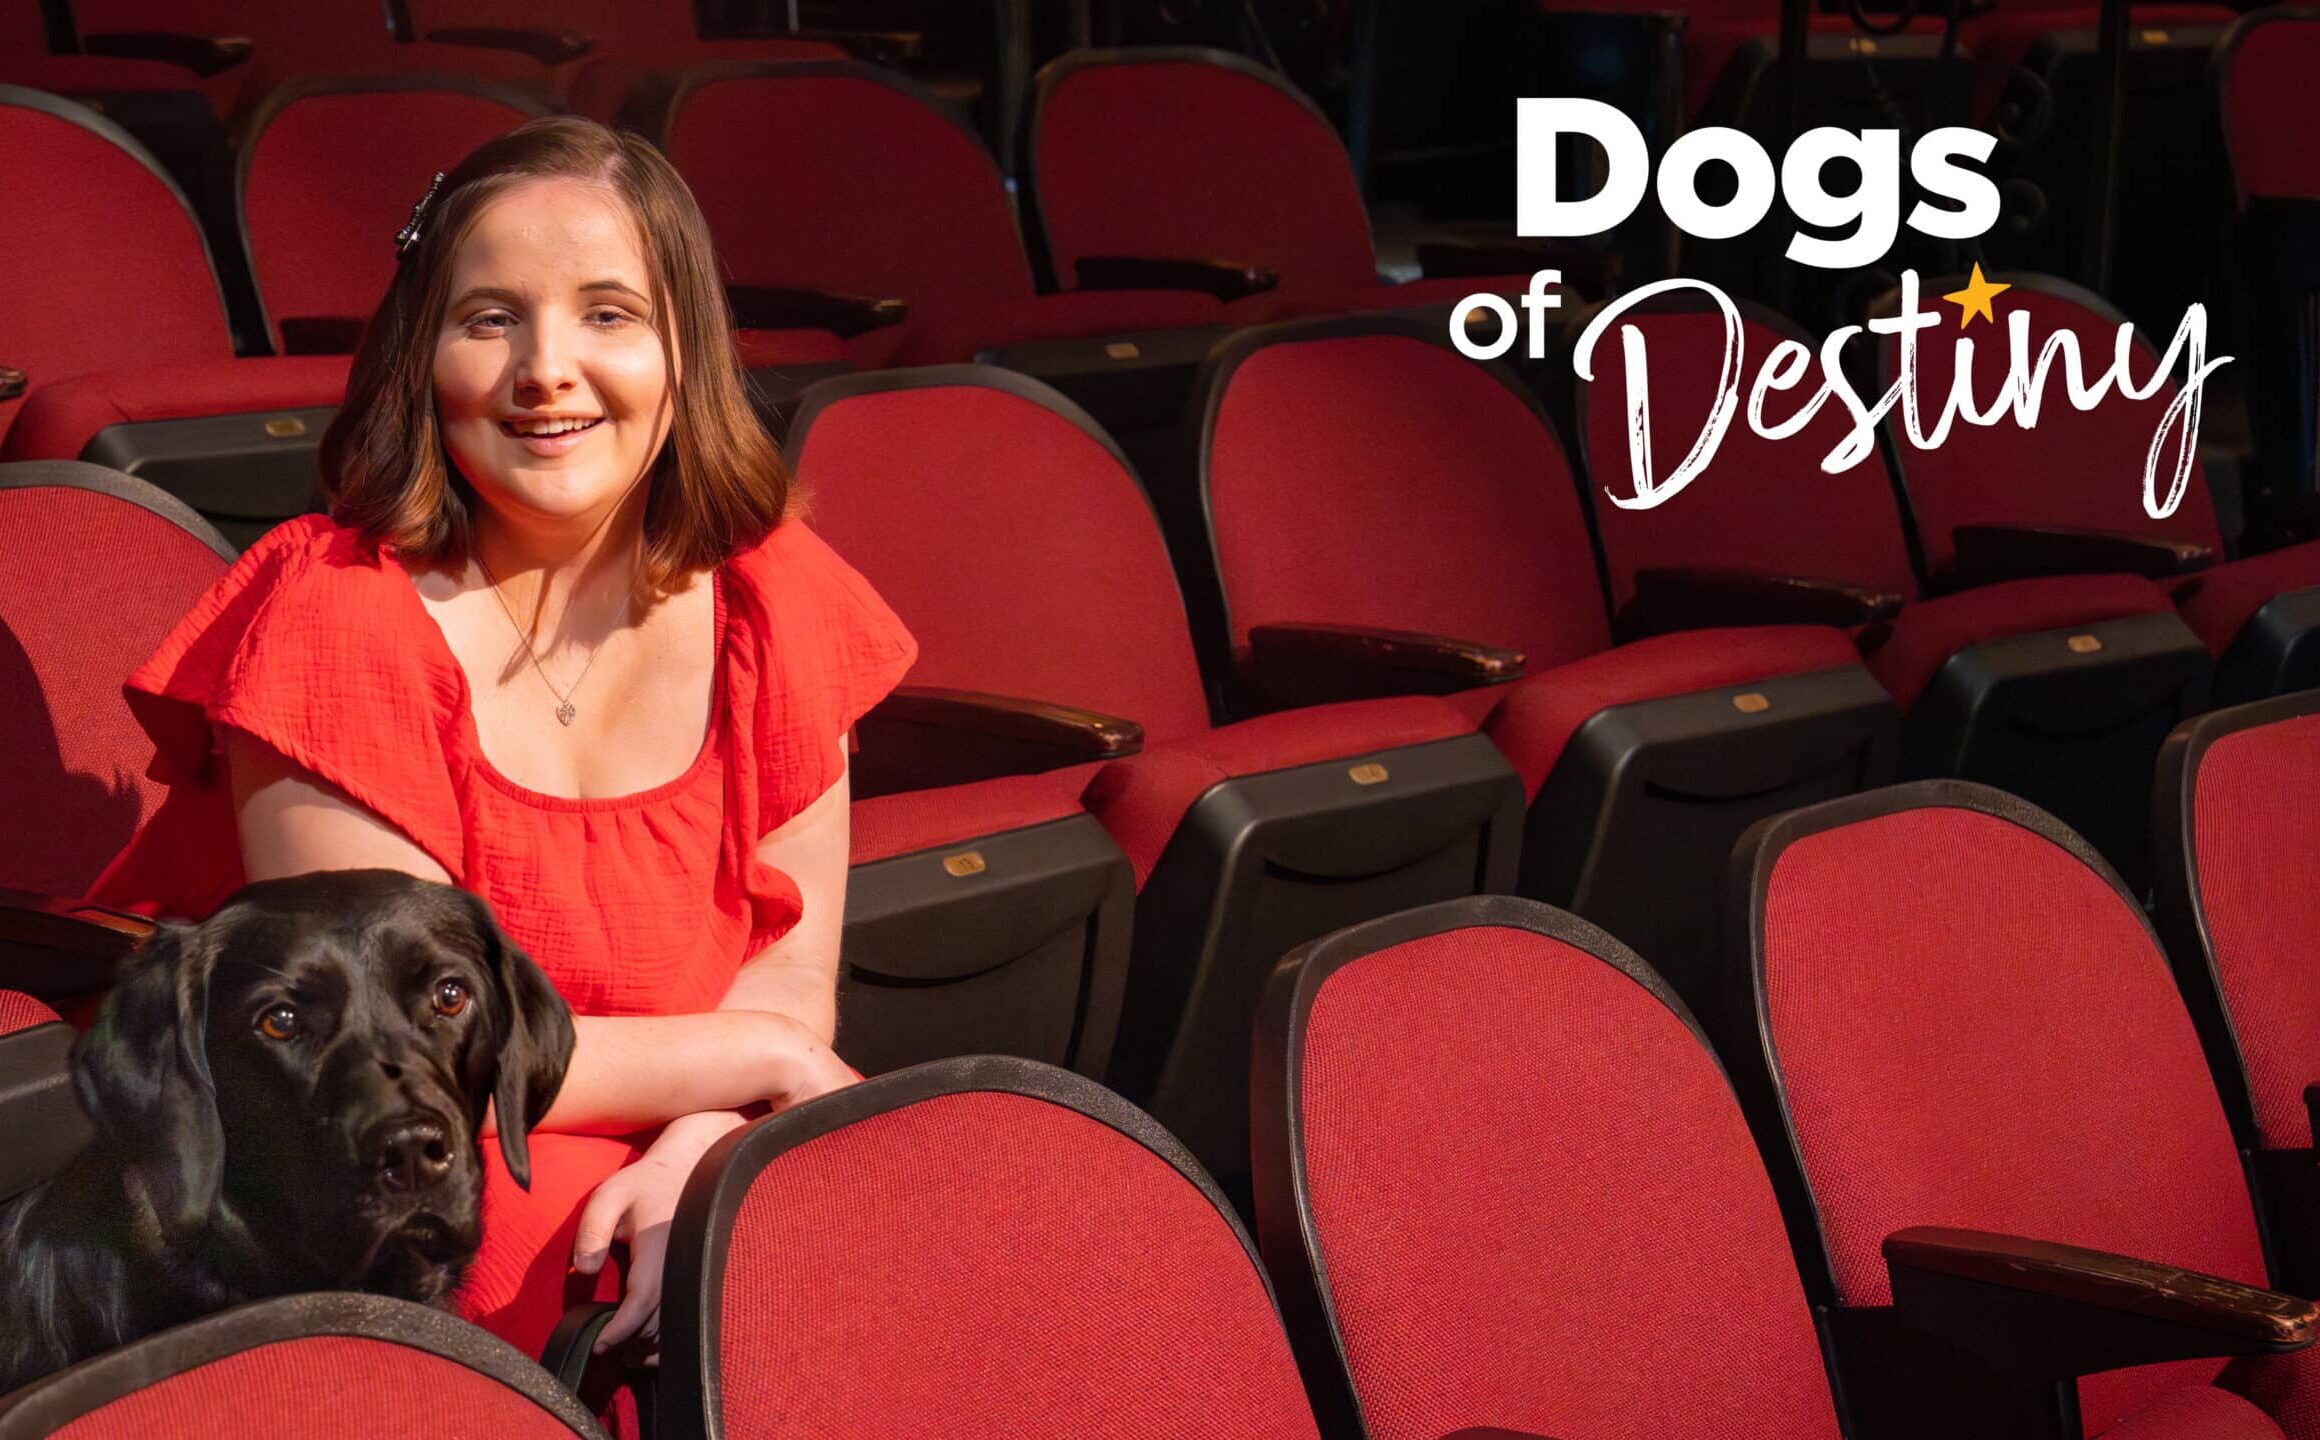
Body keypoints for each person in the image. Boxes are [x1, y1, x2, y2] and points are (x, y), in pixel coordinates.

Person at [89, 116, 915, 1361]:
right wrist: (756, 1063)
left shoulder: (773, 592)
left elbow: (793, 973)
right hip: (399, 1155)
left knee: (868, 1232)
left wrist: (717, 1145)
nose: (546, 369)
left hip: (664, 1119)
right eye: (490, 320)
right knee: (615, 1272)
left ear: (684, 348)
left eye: (608, 314)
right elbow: (396, 1061)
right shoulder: (335, 619)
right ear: (422, 357)